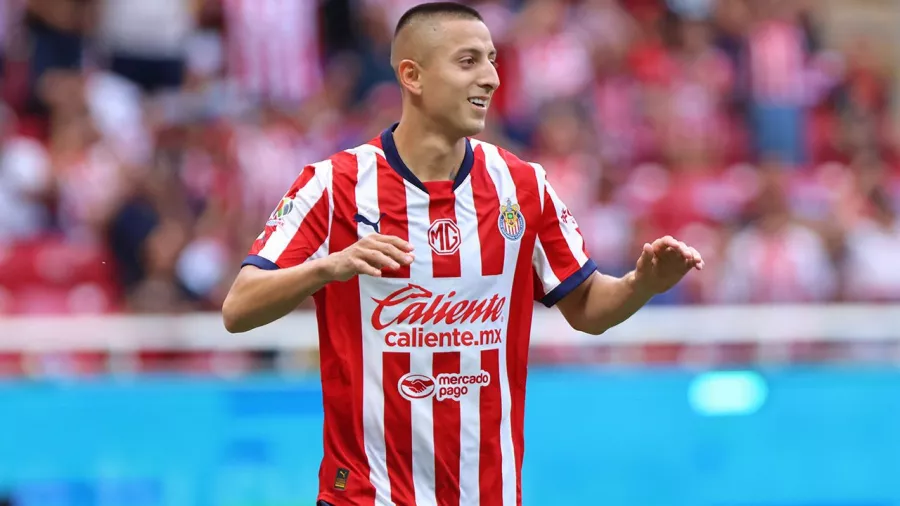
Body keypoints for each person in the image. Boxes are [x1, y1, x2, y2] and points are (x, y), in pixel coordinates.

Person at [222, 2, 704, 505]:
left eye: (493, 60)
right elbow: (239, 308)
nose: (492, 78)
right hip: (366, 495)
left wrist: (641, 283)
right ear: (413, 75)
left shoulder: (523, 186)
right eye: (469, 61)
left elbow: (586, 308)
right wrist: (330, 266)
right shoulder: (334, 185)